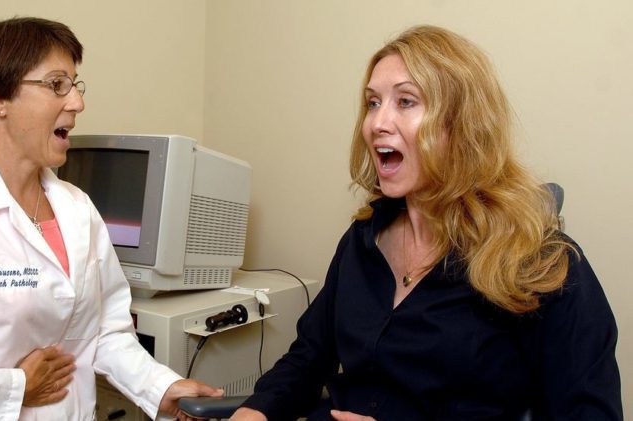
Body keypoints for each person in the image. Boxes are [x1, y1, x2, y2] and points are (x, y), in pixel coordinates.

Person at [230, 25, 622, 421]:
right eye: (372, 103)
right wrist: (256, 410)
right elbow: (309, 356)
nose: (377, 123)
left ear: (461, 123)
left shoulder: (541, 262)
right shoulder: (362, 241)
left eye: (405, 101)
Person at [0, 17, 221, 421]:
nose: (77, 102)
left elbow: (104, 332)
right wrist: (12, 387)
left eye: (75, 85)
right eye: (56, 84)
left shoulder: (78, 209)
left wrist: (161, 386)